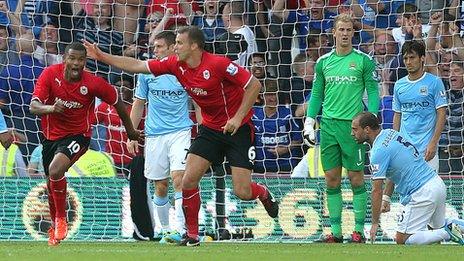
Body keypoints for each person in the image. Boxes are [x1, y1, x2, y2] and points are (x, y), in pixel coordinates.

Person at [83, 25, 279, 247]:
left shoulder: (219, 64)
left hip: (238, 130)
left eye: (179, 43)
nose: (175, 47)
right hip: (211, 130)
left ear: (194, 45)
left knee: (242, 191)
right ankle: (192, 235)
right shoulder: (174, 65)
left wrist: (237, 117)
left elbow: (254, 85)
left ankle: (263, 193)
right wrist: (101, 56)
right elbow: (138, 65)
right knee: (187, 180)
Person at [29, 42, 141, 246]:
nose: (76, 63)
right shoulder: (49, 74)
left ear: (85, 61)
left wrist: (131, 131)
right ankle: (55, 225)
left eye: (81, 59)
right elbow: (33, 106)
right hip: (51, 138)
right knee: (50, 183)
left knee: (55, 170)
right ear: (65, 58)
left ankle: (62, 220)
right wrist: (52, 109)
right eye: (72, 58)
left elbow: (117, 102)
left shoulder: (93, 83)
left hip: (78, 136)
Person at [303, 13, 380, 243]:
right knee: (332, 180)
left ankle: (358, 231)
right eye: (341, 30)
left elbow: (373, 91)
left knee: (356, 178)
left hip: (353, 129)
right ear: (334, 33)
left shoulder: (364, 61)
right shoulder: (323, 63)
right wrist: (309, 121)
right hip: (328, 126)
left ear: (353, 33)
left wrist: (372, 118)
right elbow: (317, 94)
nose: (345, 34)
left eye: (349, 30)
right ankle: (335, 233)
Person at [351, 112, 464, 245]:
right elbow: (395, 169)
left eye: (355, 129)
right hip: (436, 183)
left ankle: (448, 232)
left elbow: (376, 190)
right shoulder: (390, 133)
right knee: (434, 230)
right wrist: (387, 198)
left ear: (367, 129)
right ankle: (454, 226)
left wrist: (374, 223)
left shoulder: (378, 152)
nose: (352, 133)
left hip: (421, 192)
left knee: (402, 239)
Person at [126, 31, 192, 244]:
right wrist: (131, 133)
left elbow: (199, 103)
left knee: (179, 178)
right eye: (154, 47)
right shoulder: (147, 73)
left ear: (173, 48)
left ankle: (183, 230)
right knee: (160, 185)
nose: (154, 51)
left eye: (159, 47)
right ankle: (165, 231)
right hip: (154, 135)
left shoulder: (185, 70)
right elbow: (138, 104)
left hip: (180, 131)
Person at [392, 40, 447, 172]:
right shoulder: (399, 85)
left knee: (431, 191)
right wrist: (396, 141)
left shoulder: (434, 82)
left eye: (412, 57)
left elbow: (442, 113)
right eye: (405, 58)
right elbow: (397, 115)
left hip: (427, 149)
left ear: (422, 58)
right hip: (405, 148)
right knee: (407, 190)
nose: (408, 62)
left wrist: (434, 143)